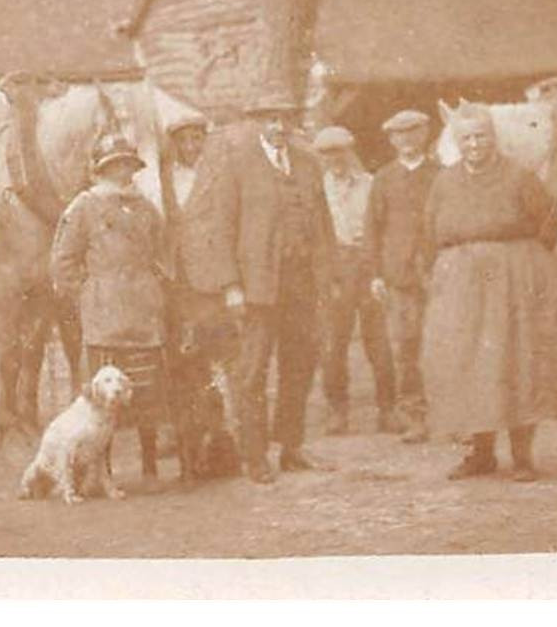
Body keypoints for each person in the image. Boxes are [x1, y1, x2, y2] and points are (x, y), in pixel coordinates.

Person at [183, 88, 338, 484]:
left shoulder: (306, 164)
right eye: (270, 118)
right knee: (252, 371)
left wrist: (326, 277)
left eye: (285, 118)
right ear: (256, 122)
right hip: (257, 287)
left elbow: (322, 224)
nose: (278, 126)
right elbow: (222, 226)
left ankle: (291, 446)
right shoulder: (237, 164)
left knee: (300, 365)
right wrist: (231, 285)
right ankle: (255, 457)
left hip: (301, 282)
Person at [420, 102, 557, 481]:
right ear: (456, 141)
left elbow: (551, 225)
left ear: (493, 138)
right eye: (466, 137)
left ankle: (522, 457)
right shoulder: (445, 181)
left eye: (481, 136)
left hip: (513, 286)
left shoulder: (520, 177)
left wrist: (518, 263)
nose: (474, 145)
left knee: (516, 361)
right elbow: (431, 230)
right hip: (461, 287)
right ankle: (480, 453)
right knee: (469, 363)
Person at [50, 133, 177, 488]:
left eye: (127, 163)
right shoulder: (83, 207)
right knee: (101, 402)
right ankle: (99, 474)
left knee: (147, 395)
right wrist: (90, 294)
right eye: (114, 164)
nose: (122, 170)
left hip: (144, 313)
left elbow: (164, 250)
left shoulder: (145, 206)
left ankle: (150, 468)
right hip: (104, 316)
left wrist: (156, 286)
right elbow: (63, 262)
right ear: (101, 169)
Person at [313, 125, 399, 436]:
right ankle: (338, 411)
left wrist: (378, 268)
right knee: (334, 343)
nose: (335, 158)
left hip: (367, 263)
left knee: (378, 340)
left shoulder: (371, 184)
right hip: (335, 267)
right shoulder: (316, 190)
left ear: (350, 151)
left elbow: (383, 226)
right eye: (327, 153)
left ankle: (388, 409)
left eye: (340, 151)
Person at [365, 109, 439, 443]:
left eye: (413, 132)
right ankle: (415, 417)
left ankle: (454, 415)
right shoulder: (383, 178)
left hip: (439, 273)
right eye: (399, 134)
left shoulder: (441, 174)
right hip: (399, 277)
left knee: (443, 343)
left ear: (425, 134)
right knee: (406, 347)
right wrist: (376, 274)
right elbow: (372, 229)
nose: (406, 140)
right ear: (391, 140)